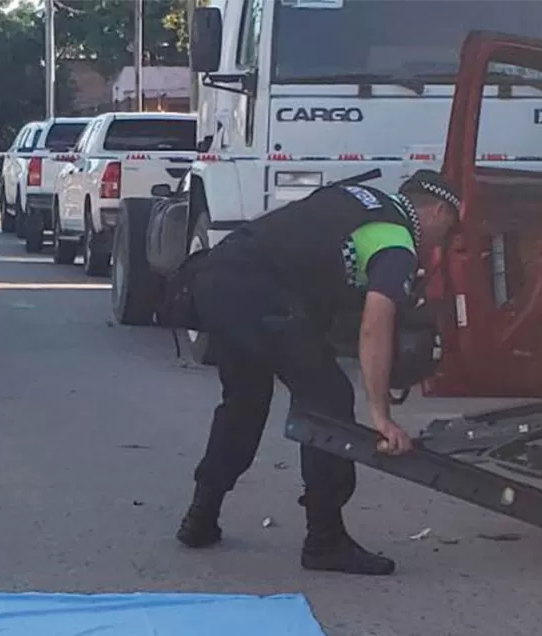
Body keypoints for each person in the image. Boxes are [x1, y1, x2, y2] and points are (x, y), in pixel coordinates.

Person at [171, 170, 461, 576]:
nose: (442, 243)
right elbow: (376, 323)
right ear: (439, 211)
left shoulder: (360, 200)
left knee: (245, 400)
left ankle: (201, 516)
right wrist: (381, 416)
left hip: (218, 276)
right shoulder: (396, 240)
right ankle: (325, 540)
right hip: (258, 291)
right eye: (448, 231)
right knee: (328, 403)